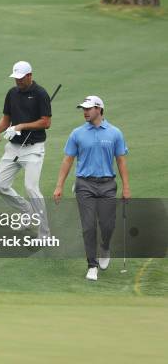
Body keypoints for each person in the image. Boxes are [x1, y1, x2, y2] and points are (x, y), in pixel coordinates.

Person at [53, 96, 130, 281]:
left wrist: (126, 187)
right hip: (84, 185)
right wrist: (59, 186)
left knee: (107, 225)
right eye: (83, 109)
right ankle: (92, 265)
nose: (85, 112)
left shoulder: (115, 133)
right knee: (88, 226)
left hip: (107, 185)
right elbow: (67, 160)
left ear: (99, 109)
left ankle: (105, 247)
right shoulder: (77, 133)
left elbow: (120, 160)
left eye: (88, 109)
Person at [0, 61, 51, 237]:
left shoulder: (40, 94)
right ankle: (26, 211)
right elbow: (6, 118)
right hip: (13, 148)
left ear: (30, 75)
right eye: (15, 78)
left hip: (34, 148)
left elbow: (46, 122)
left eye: (21, 78)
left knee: (31, 188)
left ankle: (44, 233)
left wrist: (22, 126)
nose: (17, 81)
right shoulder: (12, 93)